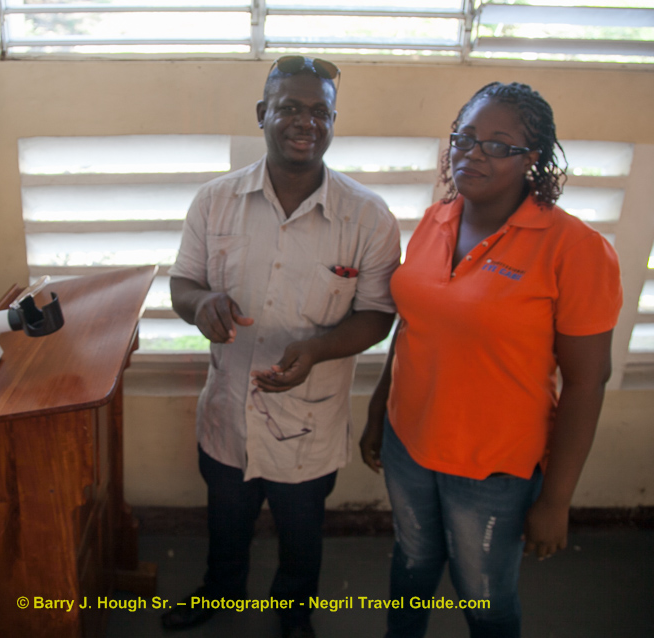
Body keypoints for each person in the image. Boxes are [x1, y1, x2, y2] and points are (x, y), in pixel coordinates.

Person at [359, 81, 623, 638]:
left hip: (492, 468)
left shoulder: (575, 249)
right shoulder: (436, 219)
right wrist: (379, 408)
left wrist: (556, 500)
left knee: (484, 598)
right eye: (465, 138)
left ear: (533, 159)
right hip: (408, 442)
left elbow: (586, 381)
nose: (474, 154)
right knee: (412, 563)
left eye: (498, 145)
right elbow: (412, 323)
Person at [164, 56, 401, 638]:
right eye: (290, 107)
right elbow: (183, 283)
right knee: (226, 524)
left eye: (320, 111)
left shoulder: (368, 217)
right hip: (229, 413)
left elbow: (378, 315)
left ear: (334, 121)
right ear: (262, 113)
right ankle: (221, 593)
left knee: (301, 536)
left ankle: (293, 613)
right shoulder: (215, 200)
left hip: (309, 424)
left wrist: (317, 350)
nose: (305, 122)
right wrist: (201, 304)